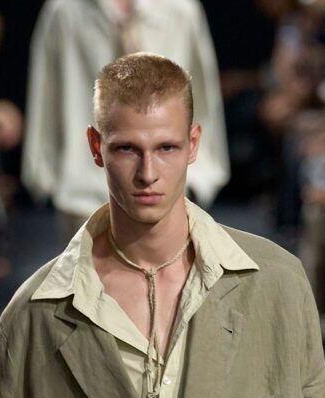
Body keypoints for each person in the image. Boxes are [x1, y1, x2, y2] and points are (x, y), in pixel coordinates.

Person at [0, 53, 325, 398]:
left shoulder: (277, 284)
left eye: (166, 148)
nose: (148, 173)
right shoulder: (34, 315)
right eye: (127, 149)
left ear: (193, 144)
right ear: (96, 147)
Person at [22, 0, 229, 242]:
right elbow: (45, 93)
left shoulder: (180, 9)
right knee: (90, 266)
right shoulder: (65, 10)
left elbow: (202, 97)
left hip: (166, 191)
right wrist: (44, 175)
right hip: (83, 192)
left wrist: (201, 174)